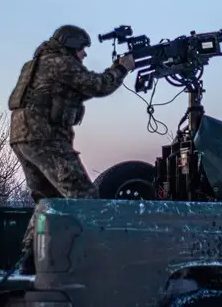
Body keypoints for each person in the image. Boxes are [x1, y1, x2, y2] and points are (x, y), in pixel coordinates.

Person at [8, 24, 135, 274]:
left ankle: (29, 262)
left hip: (22, 139)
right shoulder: (60, 63)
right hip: (44, 139)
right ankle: (97, 263)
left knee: (48, 201)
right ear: (71, 45)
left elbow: (75, 89)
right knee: (83, 196)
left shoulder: (37, 65)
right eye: (82, 49)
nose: (84, 54)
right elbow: (97, 85)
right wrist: (122, 68)